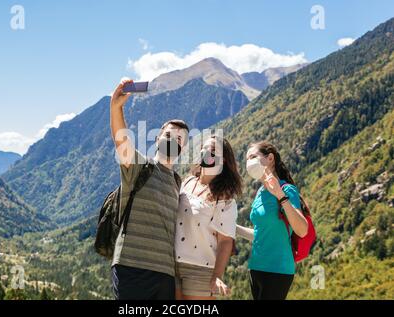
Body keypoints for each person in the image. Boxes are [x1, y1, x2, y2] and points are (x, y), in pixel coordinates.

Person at [110, 79, 189, 300]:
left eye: (180, 139)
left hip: (164, 275)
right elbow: (122, 141)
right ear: (157, 139)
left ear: (183, 148)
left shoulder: (177, 182)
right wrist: (116, 107)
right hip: (131, 267)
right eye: (169, 135)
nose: (174, 140)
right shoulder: (139, 166)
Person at [236, 141, 308, 300]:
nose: (249, 162)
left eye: (253, 157)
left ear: (270, 159)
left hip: (278, 269)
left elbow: (302, 230)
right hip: (256, 267)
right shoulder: (260, 193)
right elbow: (261, 234)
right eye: (247, 159)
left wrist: (280, 195)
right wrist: (234, 228)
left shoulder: (286, 189)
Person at [175, 135, 242, 300]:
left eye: (212, 150)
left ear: (224, 160)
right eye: (203, 148)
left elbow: (225, 241)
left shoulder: (224, 199)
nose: (205, 152)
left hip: (200, 269)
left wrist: (216, 276)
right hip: (171, 264)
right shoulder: (188, 182)